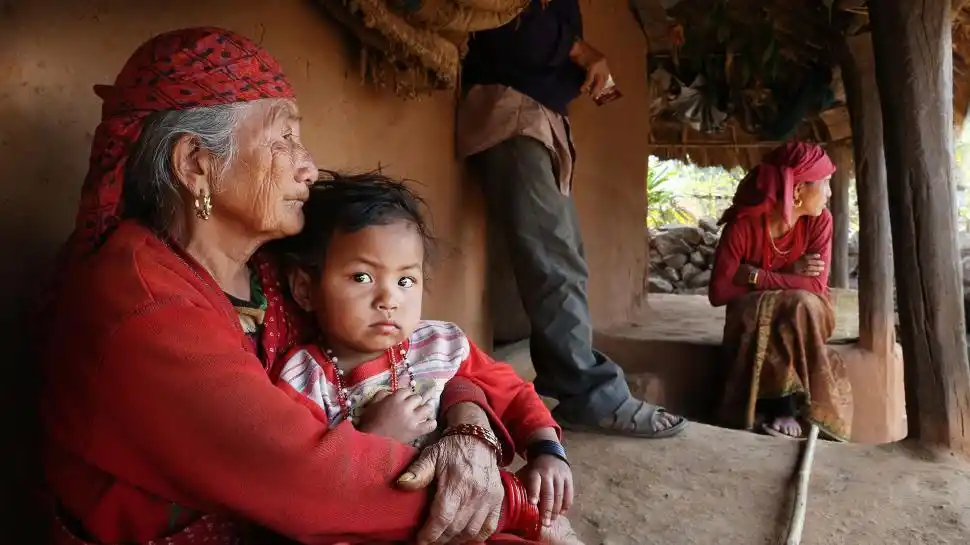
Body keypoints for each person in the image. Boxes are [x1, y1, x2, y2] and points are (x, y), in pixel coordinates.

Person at [38, 27, 571, 545]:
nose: (309, 168)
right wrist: (518, 504)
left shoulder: (272, 272)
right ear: (196, 166)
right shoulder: (139, 303)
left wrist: (467, 417)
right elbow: (313, 478)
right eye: (284, 139)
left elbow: (416, 355)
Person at [271, 173, 580, 540]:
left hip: (468, 512)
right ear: (306, 289)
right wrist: (371, 436)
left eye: (405, 281)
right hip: (376, 529)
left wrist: (547, 449)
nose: (389, 299)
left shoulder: (440, 344)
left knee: (545, 530)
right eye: (362, 277)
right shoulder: (303, 380)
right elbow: (304, 483)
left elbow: (512, 392)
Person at [456, 0, 687, 438]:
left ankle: (577, 380)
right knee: (556, 260)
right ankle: (588, 394)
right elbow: (503, 20)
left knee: (562, 257)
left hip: (531, 116)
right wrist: (581, 53)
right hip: (513, 113)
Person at [708, 141, 852, 442]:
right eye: (824, 183)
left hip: (809, 316)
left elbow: (814, 286)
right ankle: (778, 406)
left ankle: (786, 407)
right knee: (773, 304)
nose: (829, 193)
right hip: (757, 316)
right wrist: (785, 277)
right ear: (798, 191)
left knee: (799, 304)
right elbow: (719, 293)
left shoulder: (820, 222)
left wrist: (757, 276)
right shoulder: (742, 227)